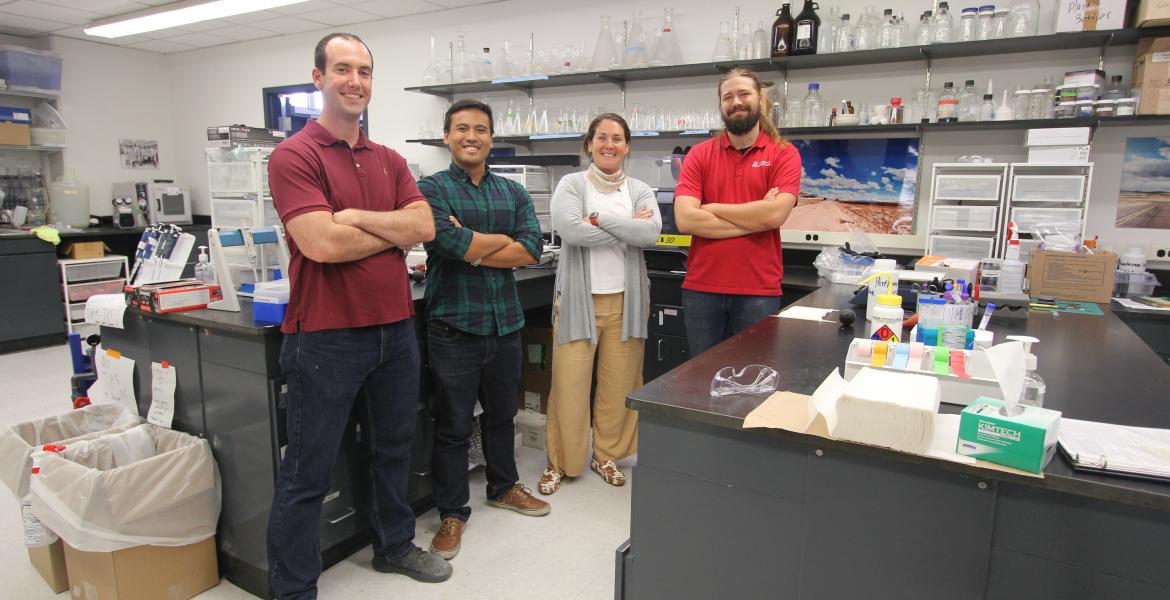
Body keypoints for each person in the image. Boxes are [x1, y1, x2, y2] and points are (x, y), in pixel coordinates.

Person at [266, 32, 450, 598]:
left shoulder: (389, 158)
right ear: (318, 77)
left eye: (365, 71)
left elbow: (424, 228)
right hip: (324, 337)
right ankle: (295, 588)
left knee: (393, 449)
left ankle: (393, 547)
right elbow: (321, 244)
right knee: (308, 470)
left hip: (394, 330)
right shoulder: (293, 155)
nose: (355, 81)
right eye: (342, 69)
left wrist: (352, 217)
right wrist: (382, 227)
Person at [419, 99, 550, 562]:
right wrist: (491, 244)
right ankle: (453, 512)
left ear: (492, 137)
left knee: (501, 415)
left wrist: (472, 246)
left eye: (480, 129)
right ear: (447, 137)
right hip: (455, 325)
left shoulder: (512, 193)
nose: (471, 136)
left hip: (505, 322)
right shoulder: (431, 189)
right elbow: (446, 241)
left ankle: (502, 486)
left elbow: (532, 248)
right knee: (454, 425)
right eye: (462, 129)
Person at [539, 114, 661, 495]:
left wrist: (598, 219)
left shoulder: (640, 189)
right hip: (579, 301)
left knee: (619, 384)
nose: (610, 144)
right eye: (602, 137)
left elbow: (651, 233)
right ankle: (563, 461)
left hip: (626, 302)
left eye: (618, 138)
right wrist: (626, 224)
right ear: (589, 143)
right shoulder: (571, 184)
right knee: (569, 385)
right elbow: (570, 230)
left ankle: (605, 454)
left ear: (627, 146)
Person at [673, 67, 802, 356]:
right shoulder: (700, 154)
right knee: (699, 381)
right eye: (727, 96)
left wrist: (712, 207)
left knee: (752, 383)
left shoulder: (784, 153)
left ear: (759, 99)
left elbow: (775, 216)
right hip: (701, 288)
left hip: (758, 290)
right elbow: (685, 219)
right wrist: (758, 217)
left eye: (744, 93)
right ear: (721, 105)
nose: (736, 102)